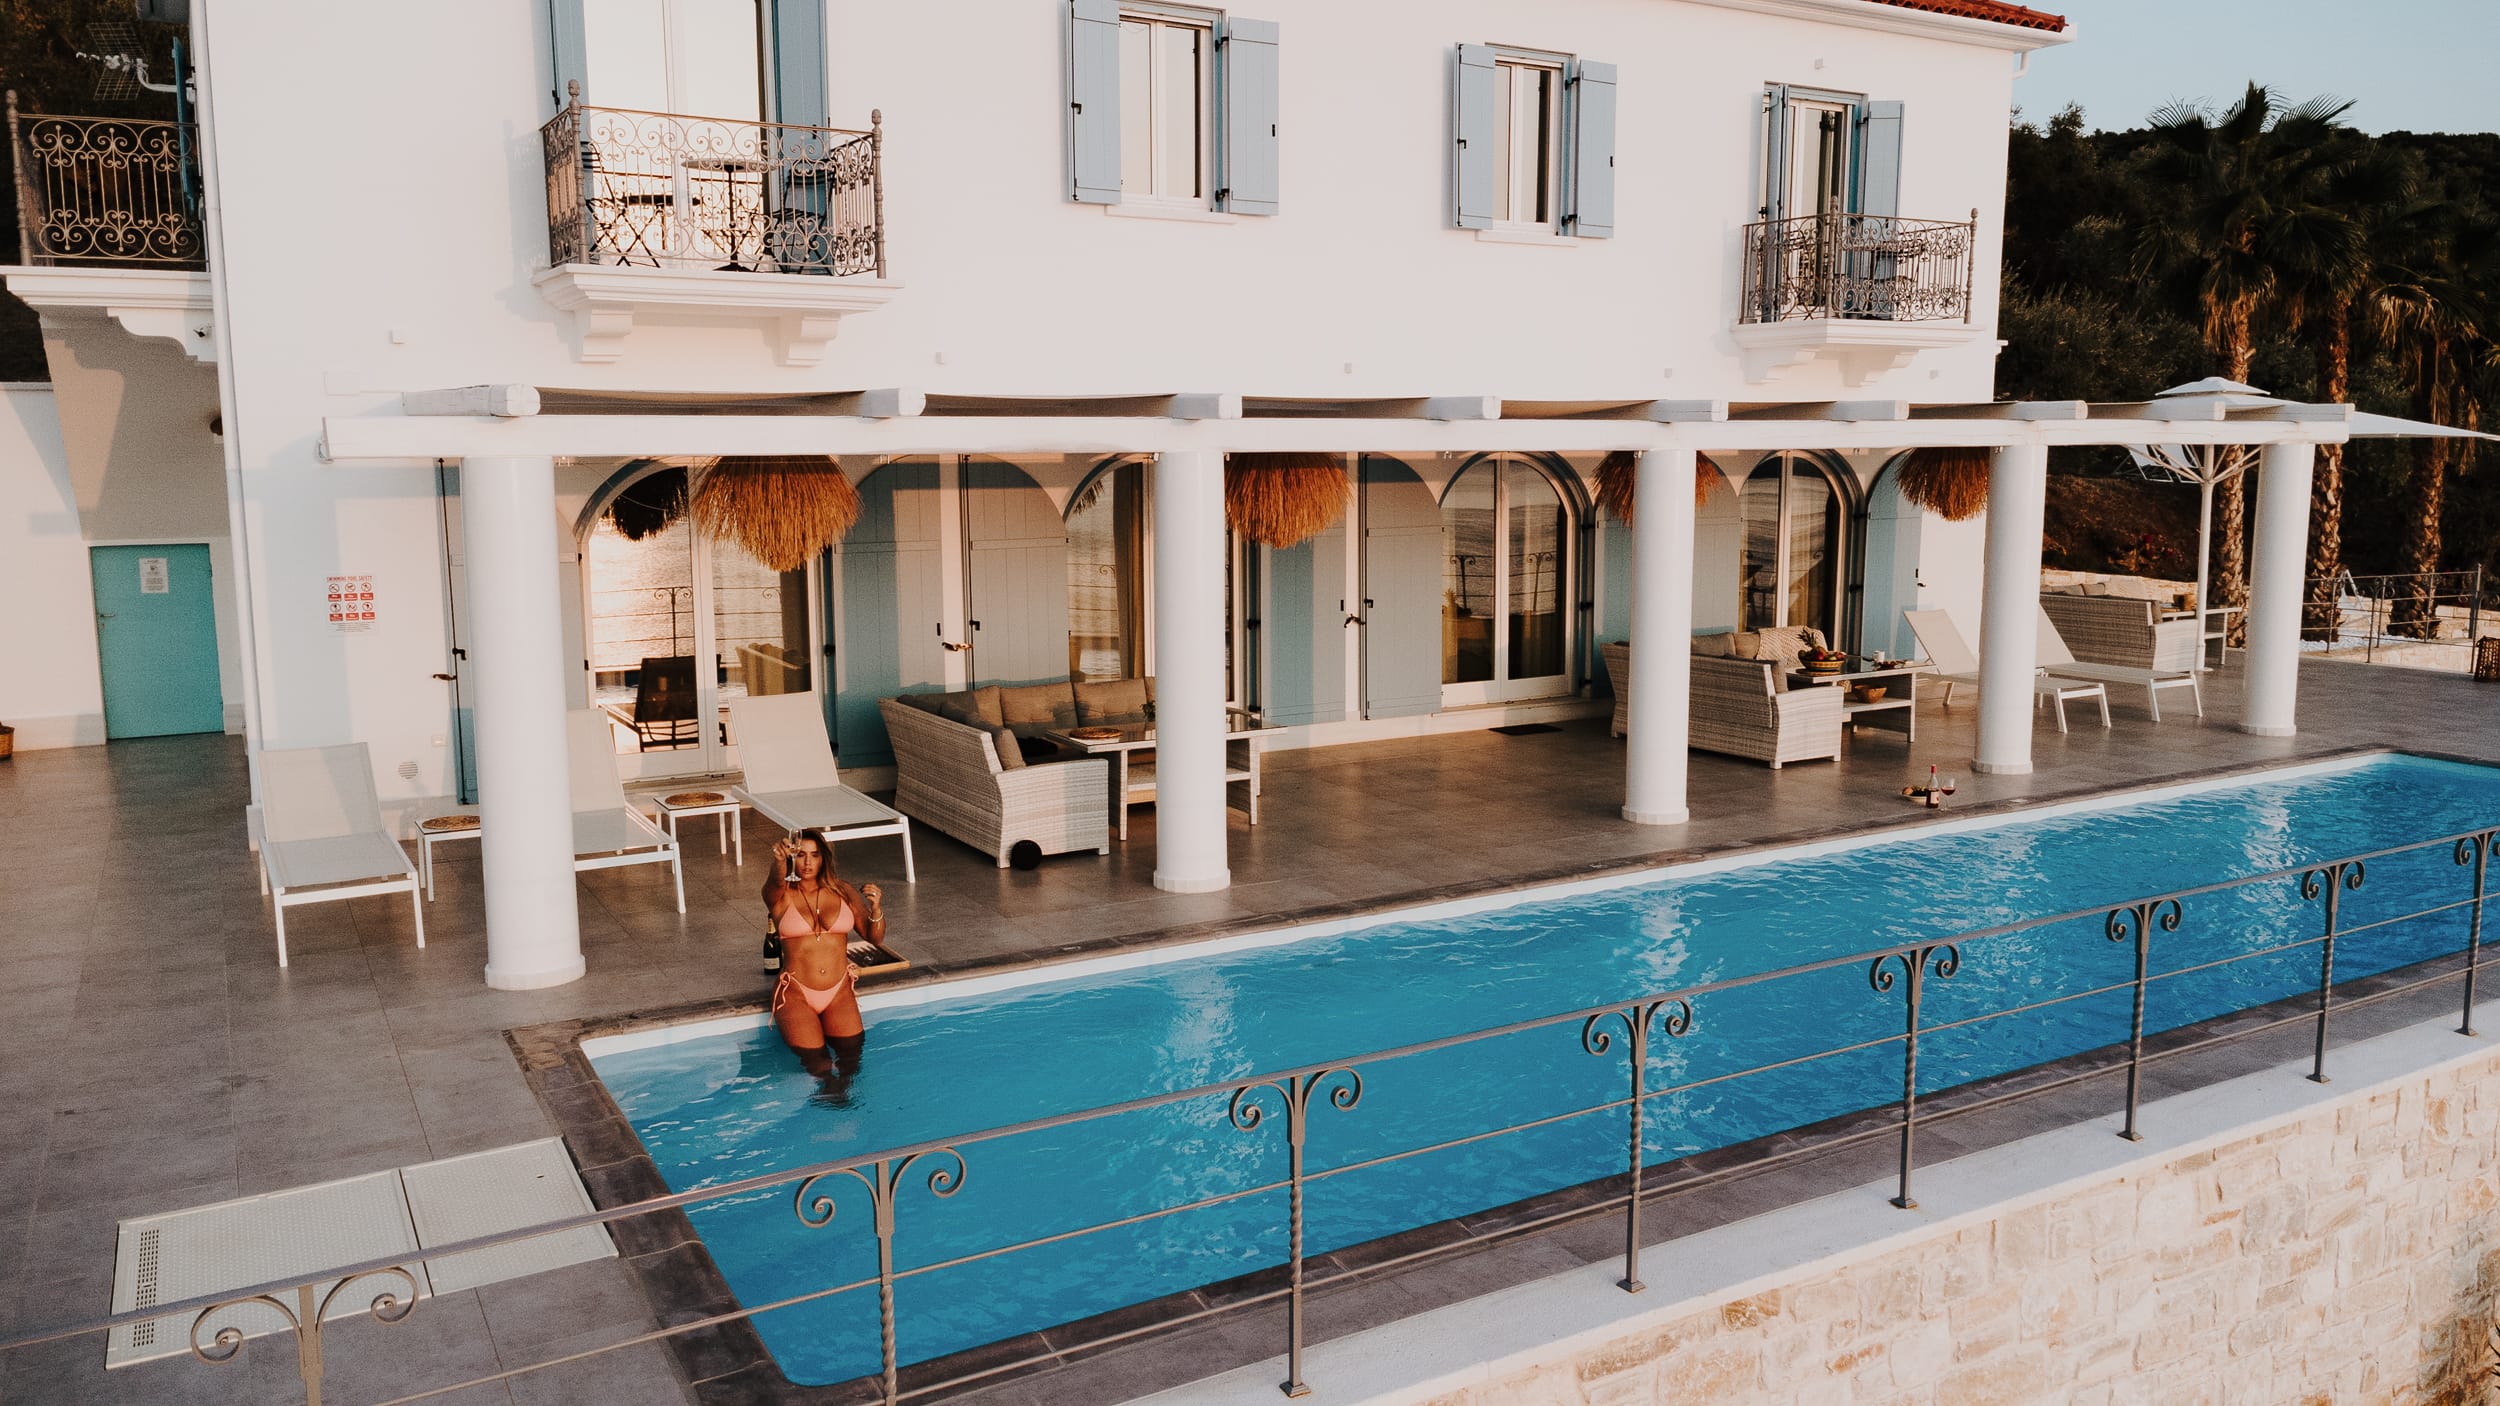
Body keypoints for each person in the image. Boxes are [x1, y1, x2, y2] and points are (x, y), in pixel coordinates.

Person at [764, 830, 889, 1097]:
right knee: (818, 1064)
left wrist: (876, 908)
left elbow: (873, 937)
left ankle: (841, 1101)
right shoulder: (782, 894)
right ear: (791, 858)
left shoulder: (842, 890)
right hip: (797, 992)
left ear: (824, 859)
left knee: (851, 1058)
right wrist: (778, 862)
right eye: (800, 855)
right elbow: (774, 883)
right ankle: (831, 1096)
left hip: (838, 991)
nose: (807, 863)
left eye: (814, 856)